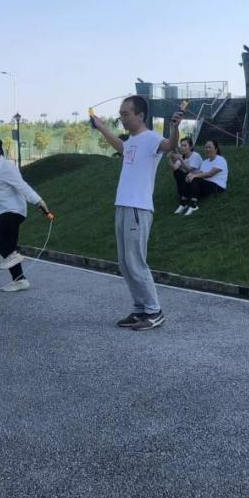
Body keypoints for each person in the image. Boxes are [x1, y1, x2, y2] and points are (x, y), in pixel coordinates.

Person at [90, 96, 183, 330]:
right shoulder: (132, 140)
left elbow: (170, 145)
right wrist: (101, 127)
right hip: (123, 206)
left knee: (135, 262)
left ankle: (155, 311)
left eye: (126, 114)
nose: (121, 118)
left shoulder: (151, 138)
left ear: (140, 115)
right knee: (124, 263)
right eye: (120, 114)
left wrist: (175, 128)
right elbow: (121, 148)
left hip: (138, 208)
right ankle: (140, 309)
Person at [0, 137, 49, 293]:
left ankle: (13, 256)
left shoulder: (7, 168)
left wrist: (39, 202)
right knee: (9, 246)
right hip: (3, 212)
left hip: (14, 211)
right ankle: (20, 280)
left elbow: (23, 186)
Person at [182, 139, 228, 215]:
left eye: (209, 147)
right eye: (206, 147)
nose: (207, 149)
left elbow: (210, 174)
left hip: (218, 187)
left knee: (195, 179)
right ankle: (183, 202)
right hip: (206, 184)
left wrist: (194, 176)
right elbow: (201, 172)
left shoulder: (220, 160)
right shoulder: (205, 162)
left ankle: (193, 204)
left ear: (216, 149)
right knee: (188, 177)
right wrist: (190, 174)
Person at [168, 137, 203, 214]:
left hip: (197, 181)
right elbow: (174, 168)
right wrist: (169, 158)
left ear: (191, 147)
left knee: (184, 173)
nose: (182, 147)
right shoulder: (182, 156)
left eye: (185, 145)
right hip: (187, 180)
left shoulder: (195, 155)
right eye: (181, 145)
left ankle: (186, 201)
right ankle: (183, 200)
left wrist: (180, 159)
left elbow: (189, 170)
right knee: (177, 172)